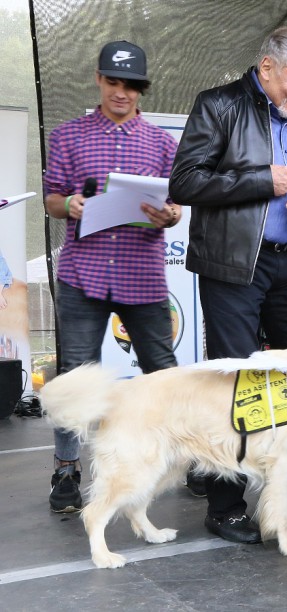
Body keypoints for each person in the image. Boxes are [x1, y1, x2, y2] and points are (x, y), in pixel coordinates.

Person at [169, 26, 287, 544]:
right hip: (232, 268)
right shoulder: (218, 105)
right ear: (267, 68)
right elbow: (185, 182)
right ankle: (224, 505)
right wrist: (263, 181)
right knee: (237, 386)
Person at [44, 41, 182, 513]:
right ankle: (66, 470)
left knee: (163, 374)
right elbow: (52, 200)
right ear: (99, 80)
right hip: (83, 274)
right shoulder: (67, 137)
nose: (121, 93)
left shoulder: (163, 144)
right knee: (73, 377)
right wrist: (71, 205)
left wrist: (169, 217)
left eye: (131, 85)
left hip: (141, 276)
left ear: (141, 90)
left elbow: (175, 207)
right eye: (113, 82)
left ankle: (182, 461)